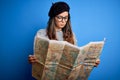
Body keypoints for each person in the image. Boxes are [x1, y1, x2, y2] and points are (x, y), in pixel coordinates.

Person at [28, 1, 100, 67]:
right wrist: (33, 59)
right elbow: (37, 57)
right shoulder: (41, 33)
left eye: (66, 18)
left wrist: (90, 62)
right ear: (53, 18)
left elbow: (76, 60)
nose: (63, 21)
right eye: (59, 17)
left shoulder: (72, 35)